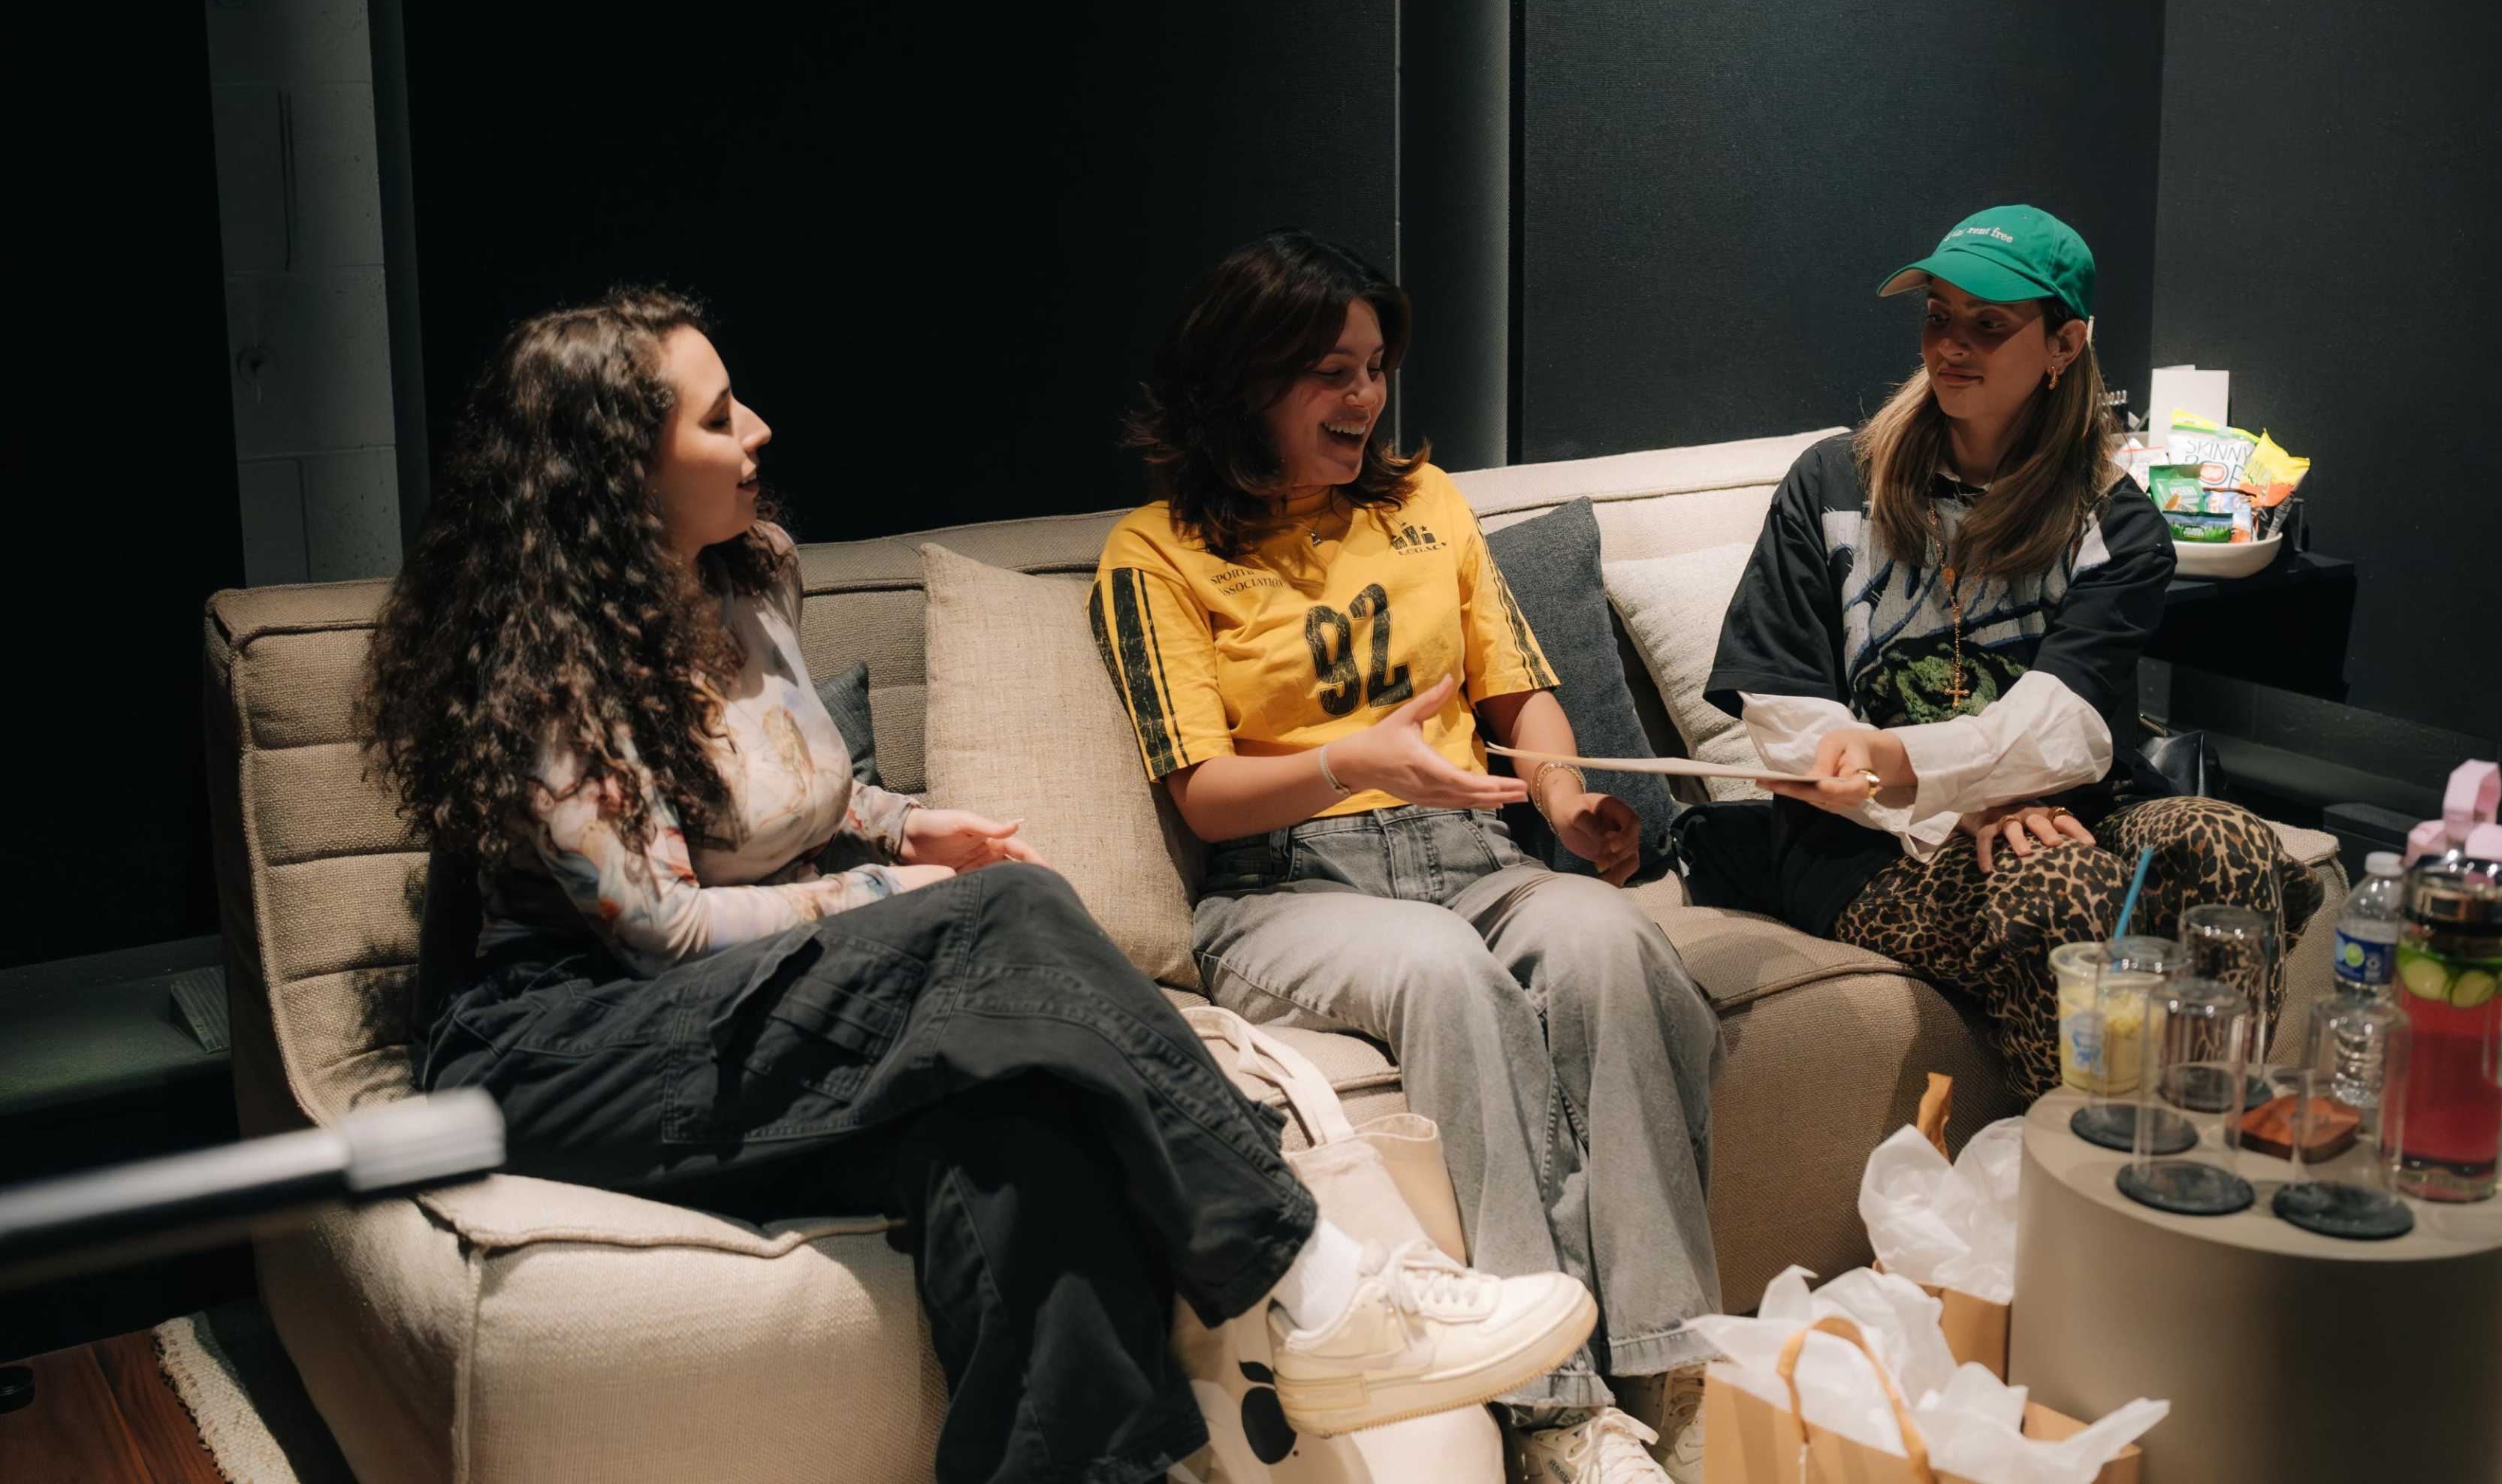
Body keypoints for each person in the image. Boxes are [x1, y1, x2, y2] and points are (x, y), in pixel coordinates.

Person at [364, 287, 1592, 1484]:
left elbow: (780, 783)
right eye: (719, 415)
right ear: (618, 468)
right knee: (1001, 916)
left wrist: (906, 821)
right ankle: (1318, 1281)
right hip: (565, 1045)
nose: (759, 430)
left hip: (730, 1008)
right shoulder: (550, 661)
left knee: (1018, 1121)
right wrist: (891, 889)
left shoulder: (749, 574)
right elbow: (666, 929)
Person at [1092, 232, 1721, 1484]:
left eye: (1375, 366)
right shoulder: (1154, 552)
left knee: (1609, 941)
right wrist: (1350, 762)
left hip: (1472, 849)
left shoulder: (1428, 506)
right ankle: (1555, 1413)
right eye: (1331, 370)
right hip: (1286, 881)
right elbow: (1203, 793)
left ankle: (1671, 1370)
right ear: (1246, 378)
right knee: (1445, 972)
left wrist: (1565, 796)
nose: (1365, 395)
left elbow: (1519, 692)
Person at [1693, 206, 2319, 1099]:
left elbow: (2063, 723)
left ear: (2064, 345)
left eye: (1988, 324)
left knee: (2227, 842)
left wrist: (1928, 766)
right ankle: (2073, 1162)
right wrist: (1953, 802)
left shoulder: (2117, 523)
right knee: (2057, 884)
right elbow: (1787, 716)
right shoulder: (1833, 483)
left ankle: (2201, 1139)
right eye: (1938, 316)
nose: (1950, 344)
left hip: (2070, 809)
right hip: (1867, 848)